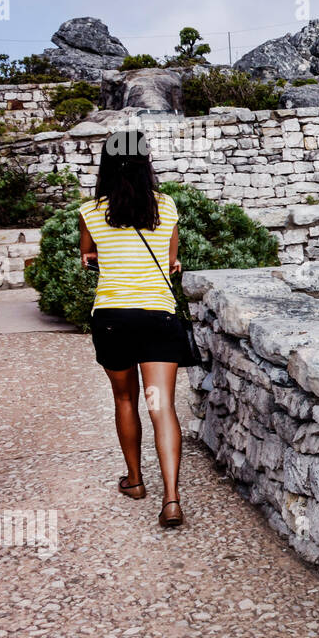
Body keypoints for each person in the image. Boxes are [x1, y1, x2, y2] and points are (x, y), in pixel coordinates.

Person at [78, 129, 188, 529]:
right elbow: (172, 260)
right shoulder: (166, 206)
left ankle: (136, 480)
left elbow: (88, 256)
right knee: (161, 407)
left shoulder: (91, 212)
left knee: (125, 400)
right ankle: (172, 500)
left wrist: (95, 254)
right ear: (146, 165)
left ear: (106, 166)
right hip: (157, 319)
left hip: (113, 321)